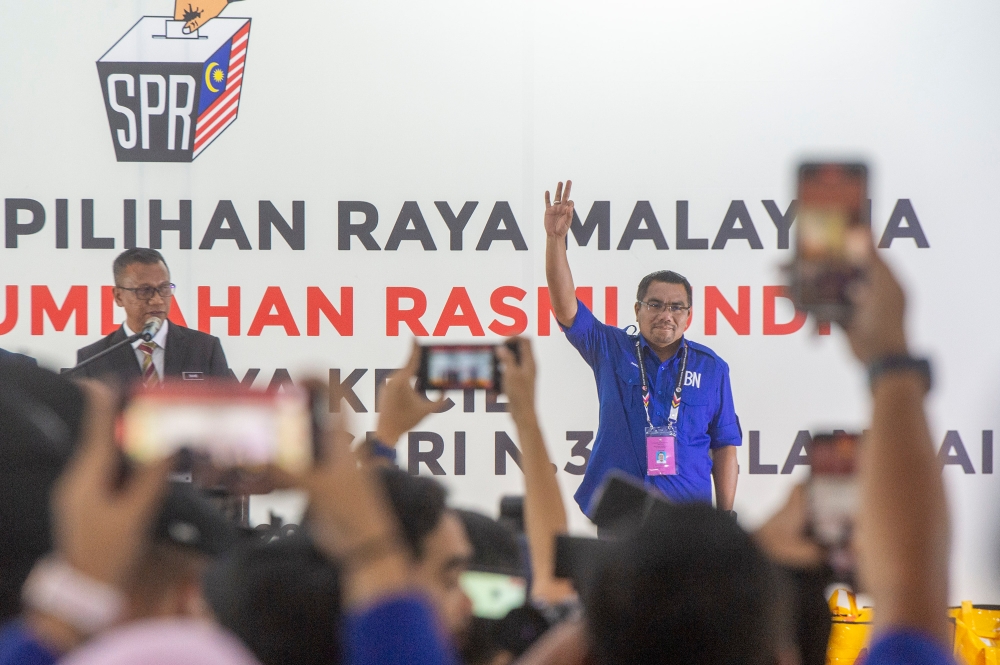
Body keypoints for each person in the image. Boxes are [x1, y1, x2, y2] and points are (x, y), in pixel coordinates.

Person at [543, 180, 741, 520]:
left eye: (677, 307)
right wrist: (556, 240)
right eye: (655, 304)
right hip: (620, 515)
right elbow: (566, 309)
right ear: (637, 310)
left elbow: (724, 447)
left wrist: (725, 519)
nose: (666, 314)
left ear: (689, 316)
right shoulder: (610, 348)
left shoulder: (712, 369)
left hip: (687, 519)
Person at [73, 248, 231, 386]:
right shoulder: (93, 360)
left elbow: (228, 411)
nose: (157, 300)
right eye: (144, 291)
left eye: (164, 288)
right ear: (119, 296)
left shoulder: (205, 349)